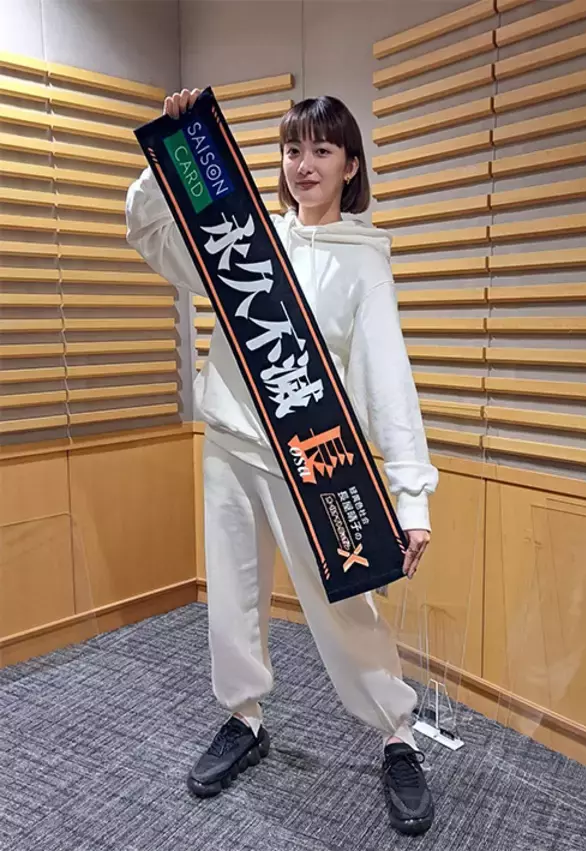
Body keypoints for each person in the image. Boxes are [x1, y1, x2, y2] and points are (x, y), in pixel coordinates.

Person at [126, 89, 439, 837]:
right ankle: (244, 717)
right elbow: (151, 234)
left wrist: (411, 496)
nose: (304, 165)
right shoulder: (247, 240)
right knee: (232, 594)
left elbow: (388, 378)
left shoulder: (365, 262)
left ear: (350, 166)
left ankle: (397, 735)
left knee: (346, 604)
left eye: (322, 150)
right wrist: (172, 145)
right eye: (293, 149)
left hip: (312, 459)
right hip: (230, 444)